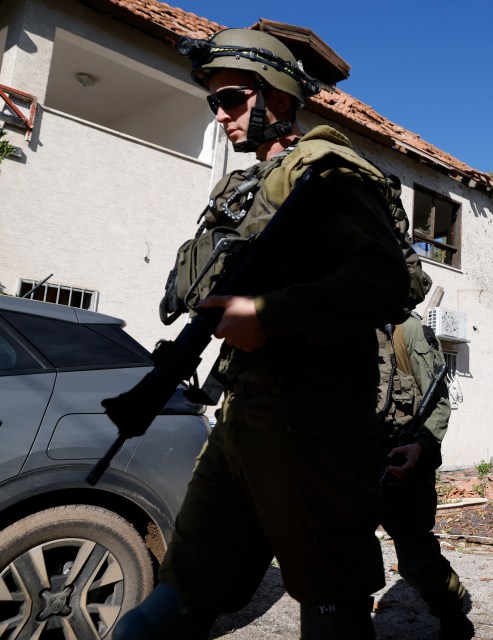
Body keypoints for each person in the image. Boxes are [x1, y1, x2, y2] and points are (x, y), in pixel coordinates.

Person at [114, 28, 411, 639]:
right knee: (173, 599)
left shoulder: (328, 171)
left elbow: (387, 281)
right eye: (212, 103)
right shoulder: (243, 188)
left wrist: (269, 314)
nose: (219, 115)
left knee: (331, 601)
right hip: (243, 414)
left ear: (275, 96)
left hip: (315, 422)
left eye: (229, 98)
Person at [376, 314, 474, 639]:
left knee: (415, 563)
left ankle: (450, 607)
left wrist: (420, 445)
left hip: (402, 458)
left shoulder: (406, 329)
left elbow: (438, 402)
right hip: (353, 459)